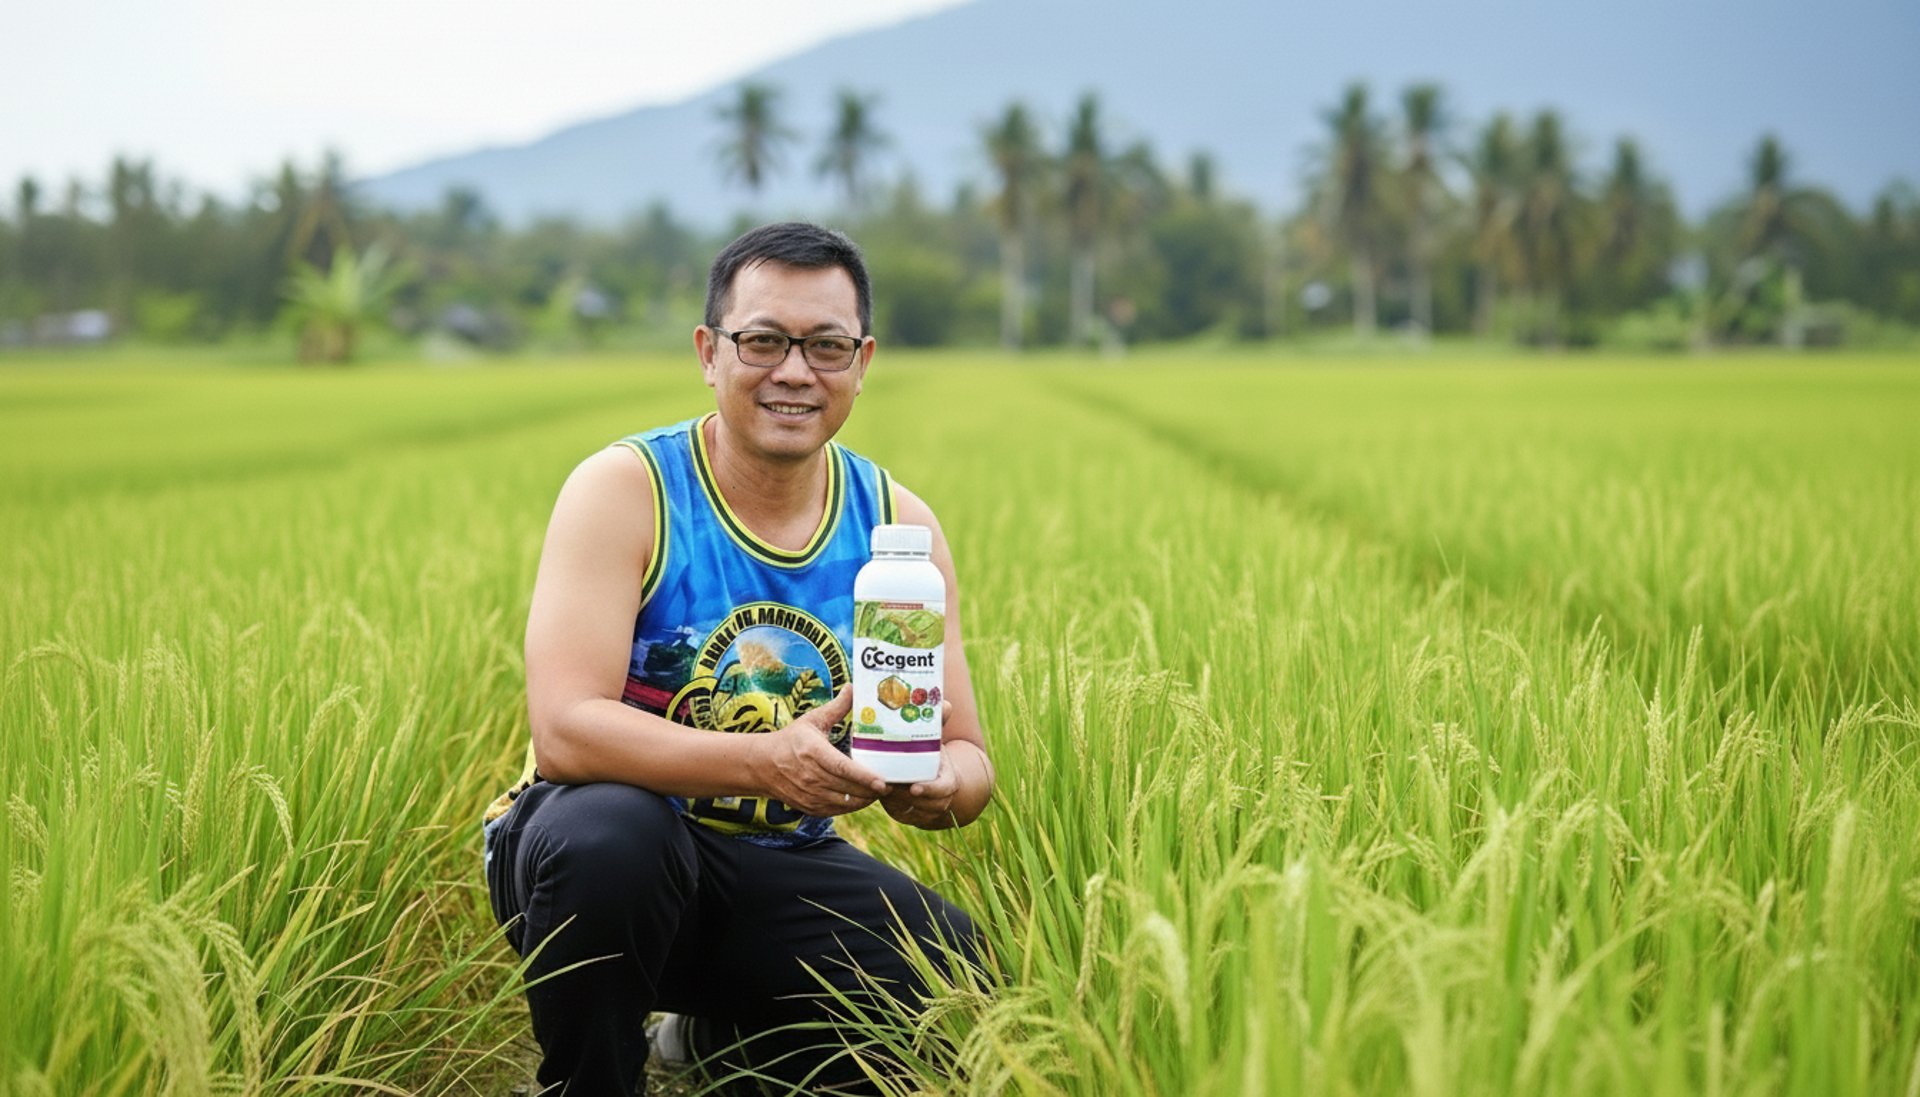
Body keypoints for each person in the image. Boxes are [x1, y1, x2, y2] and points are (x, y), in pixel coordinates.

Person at [481, 222, 995, 1095]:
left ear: (862, 361)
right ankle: (591, 1080)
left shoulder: (897, 526)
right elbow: (566, 732)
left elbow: (971, 756)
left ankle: (719, 1037)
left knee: (965, 991)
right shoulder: (626, 490)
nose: (794, 371)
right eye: (762, 340)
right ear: (709, 352)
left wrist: (937, 785)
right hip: (597, 853)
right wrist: (766, 760)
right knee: (615, 837)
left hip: (777, 864)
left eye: (826, 346)